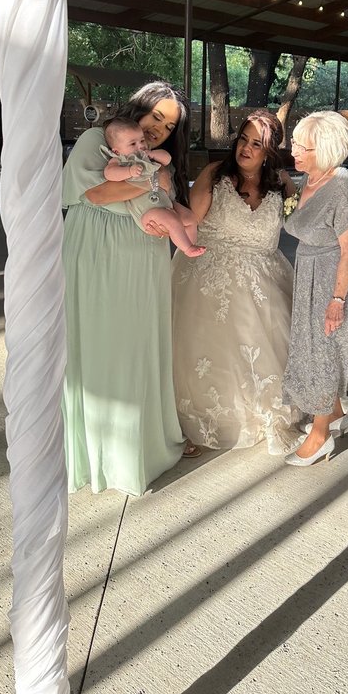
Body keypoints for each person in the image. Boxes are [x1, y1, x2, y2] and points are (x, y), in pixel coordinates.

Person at [61, 81, 199, 497]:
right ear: (138, 108)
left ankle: (144, 443)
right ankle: (98, 453)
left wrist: (158, 181)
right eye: (156, 116)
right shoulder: (96, 139)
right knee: (101, 342)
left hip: (144, 251)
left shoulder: (157, 160)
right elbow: (98, 193)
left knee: (138, 343)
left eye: (169, 126)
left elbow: (169, 202)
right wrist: (154, 180)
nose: (159, 129)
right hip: (97, 246)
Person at [171, 110, 302, 454]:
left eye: (256, 144)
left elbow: (300, 223)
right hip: (211, 277)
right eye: (243, 139)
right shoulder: (215, 174)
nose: (246, 148)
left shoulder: (281, 184)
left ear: (270, 151)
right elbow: (190, 221)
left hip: (267, 277)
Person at [282, 110, 348, 467]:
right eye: (294, 143)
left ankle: (321, 434)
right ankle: (336, 411)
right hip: (309, 269)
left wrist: (337, 299)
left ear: (324, 150)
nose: (294, 151)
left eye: (303, 147)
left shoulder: (342, 186)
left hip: (334, 274)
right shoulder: (308, 179)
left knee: (324, 350)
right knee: (313, 345)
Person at [101, 115, 205, 257]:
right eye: (133, 144)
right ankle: (188, 248)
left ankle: (188, 247)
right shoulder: (119, 160)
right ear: (116, 151)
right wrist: (128, 171)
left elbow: (167, 159)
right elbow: (109, 174)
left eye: (142, 140)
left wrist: (152, 154)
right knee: (172, 220)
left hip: (166, 202)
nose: (140, 146)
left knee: (190, 218)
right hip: (148, 211)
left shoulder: (148, 154)